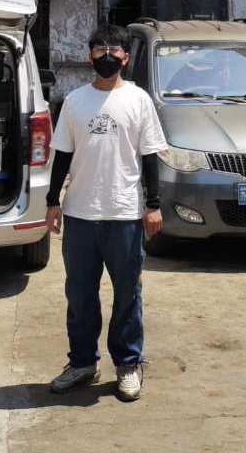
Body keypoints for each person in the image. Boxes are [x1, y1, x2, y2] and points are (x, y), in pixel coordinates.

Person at [45, 23, 168, 401]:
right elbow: (61, 156)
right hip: (80, 214)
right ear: (90, 55)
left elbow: (150, 156)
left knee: (127, 294)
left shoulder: (139, 100)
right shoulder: (74, 102)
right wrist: (52, 202)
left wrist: (153, 205)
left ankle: (128, 363)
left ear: (126, 57)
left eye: (114, 50)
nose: (107, 56)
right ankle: (82, 362)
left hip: (124, 214)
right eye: (100, 49)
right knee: (80, 296)